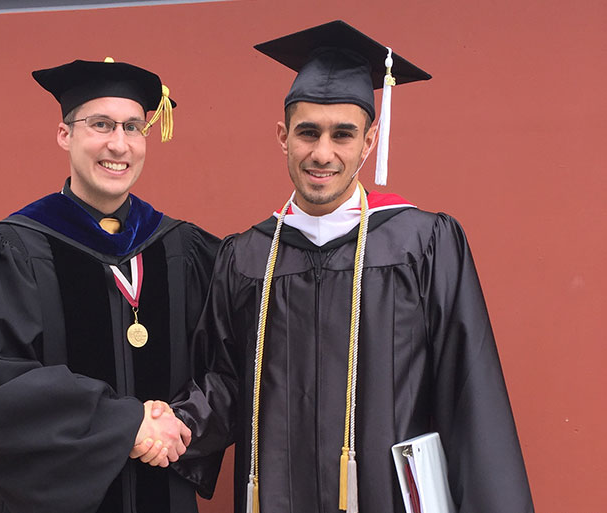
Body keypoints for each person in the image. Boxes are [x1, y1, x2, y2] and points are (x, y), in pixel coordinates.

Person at [169, 20, 534, 513]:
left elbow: (471, 396)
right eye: (308, 133)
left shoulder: (421, 245)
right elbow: (227, 384)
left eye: (343, 134)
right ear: (283, 137)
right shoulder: (247, 258)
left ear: (369, 140)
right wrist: (170, 425)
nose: (323, 153)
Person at [0, 57, 219, 513]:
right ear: (64, 135)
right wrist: (126, 425)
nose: (119, 144)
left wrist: (180, 422)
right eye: (101, 124)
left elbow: (225, 363)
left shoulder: (182, 249)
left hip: (163, 494)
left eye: (133, 128)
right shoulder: (12, 249)